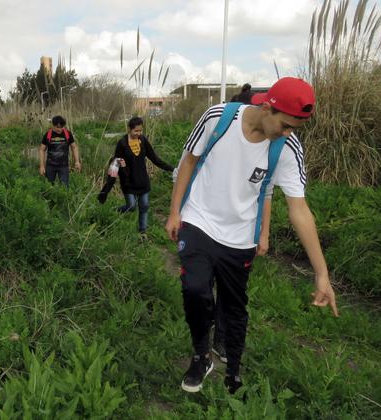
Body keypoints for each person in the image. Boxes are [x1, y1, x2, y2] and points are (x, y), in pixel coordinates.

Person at [165, 77, 338, 395]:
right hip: (199, 219)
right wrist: (175, 211)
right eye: (286, 125)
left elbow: (299, 210)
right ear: (268, 107)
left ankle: (233, 372)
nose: (288, 133)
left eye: (294, 129)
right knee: (195, 289)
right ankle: (201, 355)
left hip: (240, 236)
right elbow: (189, 159)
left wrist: (321, 273)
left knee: (234, 308)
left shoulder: (287, 148)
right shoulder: (219, 117)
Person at [112, 116, 174, 236]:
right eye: (136, 131)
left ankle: (142, 231)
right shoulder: (122, 143)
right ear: (129, 129)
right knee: (131, 206)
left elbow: (154, 158)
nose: (139, 133)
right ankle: (115, 211)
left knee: (144, 206)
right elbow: (116, 162)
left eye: (141, 131)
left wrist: (171, 168)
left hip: (142, 181)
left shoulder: (143, 141)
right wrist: (111, 181)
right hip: (128, 182)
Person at [38, 115, 81, 185]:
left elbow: (74, 147)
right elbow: (42, 150)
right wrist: (42, 166)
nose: (60, 129)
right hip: (50, 166)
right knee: (48, 187)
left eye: (61, 127)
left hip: (63, 166)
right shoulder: (48, 134)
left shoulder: (67, 134)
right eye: (57, 127)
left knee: (64, 188)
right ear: (53, 125)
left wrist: (77, 161)